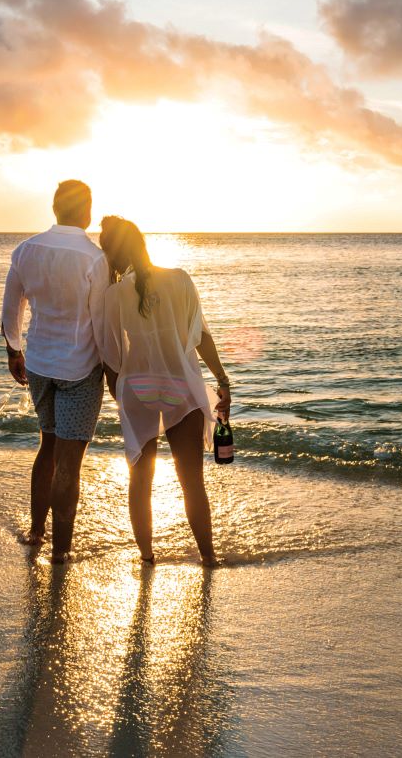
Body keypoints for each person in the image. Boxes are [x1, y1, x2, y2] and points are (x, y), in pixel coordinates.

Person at [98, 216, 232, 567]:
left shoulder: (114, 294)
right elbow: (200, 336)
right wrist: (222, 381)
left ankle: (146, 557)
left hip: (138, 389)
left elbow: (110, 356)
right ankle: (209, 557)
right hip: (180, 385)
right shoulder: (180, 279)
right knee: (191, 481)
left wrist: (119, 395)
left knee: (141, 478)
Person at [1, 180, 110, 563]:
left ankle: (36, 533)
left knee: (46, 446)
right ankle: (61, 553)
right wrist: (112, 370)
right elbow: (101, 321)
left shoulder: (25, 250)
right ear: (87, 211)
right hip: (79, 368)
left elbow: (11, 308)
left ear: (54, 207)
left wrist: (14, 350)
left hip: (40, 365)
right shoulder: (94, 258)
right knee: (69, 462)